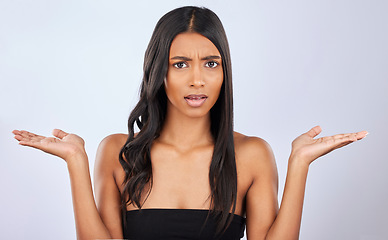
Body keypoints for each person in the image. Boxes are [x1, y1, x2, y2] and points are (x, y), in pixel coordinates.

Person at [12, 6, 367, 240]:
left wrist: (299, 164)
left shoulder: (251, 154)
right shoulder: (118, 152)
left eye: (211, 63)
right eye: (180, 64)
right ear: (158, 72)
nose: (197, 80)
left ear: (224, 72)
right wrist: (76, 161)